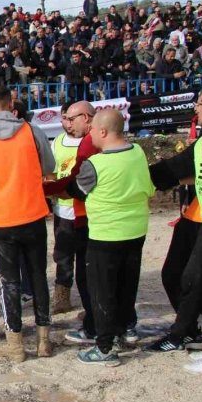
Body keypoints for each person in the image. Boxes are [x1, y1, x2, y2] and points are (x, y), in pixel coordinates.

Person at [0, 85, 56, 361]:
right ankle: (44, 341)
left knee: (9, 282)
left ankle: (16, 345)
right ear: (10, 104)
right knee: (38, 276)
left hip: (1, 219)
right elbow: (48, 166)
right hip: (32, 214)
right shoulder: (31, 131)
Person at [67, 110, 154, 366]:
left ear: (103, 132)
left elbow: (76, 189)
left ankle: (105, 347)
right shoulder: (137, 152)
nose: (89, 133)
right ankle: (123, 331)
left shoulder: (95, 165)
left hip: (106, 236)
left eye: (92, 128)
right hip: (136, 231)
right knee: (127, 286)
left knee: (102, 292)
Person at [147, 86, 202, 374]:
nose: (195, 109)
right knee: (178, 275)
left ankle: (193, 338)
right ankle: (188, 331)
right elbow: (179, 168)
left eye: (200, 103)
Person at [45, 102, 96, 319]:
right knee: (63, 256)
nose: (67, 124)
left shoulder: (92, 142)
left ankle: (91, 306)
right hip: (64, 209)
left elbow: (80, 178)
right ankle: (62, 297)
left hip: (86, 210)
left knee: (87, 259)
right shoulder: (58, 142)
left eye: (71, 119)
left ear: (84, 118)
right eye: (64, 118)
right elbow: (52, 172)